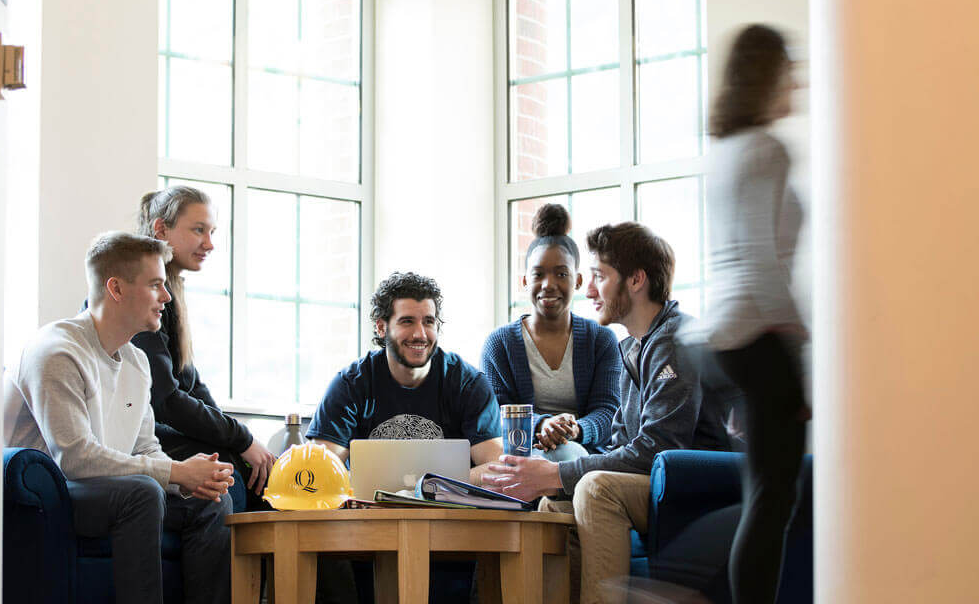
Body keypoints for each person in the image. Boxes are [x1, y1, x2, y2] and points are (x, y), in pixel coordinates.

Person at [483, 222, 731, 604]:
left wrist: (556, 471)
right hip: (660, 480)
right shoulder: (632, 348)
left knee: (596, 489)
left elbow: (656, 449)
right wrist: (554, 481)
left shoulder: (676, 341)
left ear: (636, 280)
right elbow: (618, 444)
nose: (589, 289)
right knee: (554, 505)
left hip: (696, 483)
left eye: (598, 276)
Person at [4, 232, 234, 604]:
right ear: (116, 288)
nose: (167, 297)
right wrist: (176, 473)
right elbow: (75, 458)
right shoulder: (57, 352)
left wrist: (191, 479)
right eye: (156, 285)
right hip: (49, 495)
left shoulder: (136, 361)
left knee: (210, 499)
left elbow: (146, 447)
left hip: (105, 489)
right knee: (141, 493)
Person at [703, 23, 808, 604]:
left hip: (721, 338)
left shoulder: (722, 151)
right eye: (790, 68)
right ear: (768, 75)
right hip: (756, 332)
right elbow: (764, 262)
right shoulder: (769, 148)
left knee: (763, 494)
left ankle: (680, 580)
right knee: (774, 497)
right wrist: (794, 342)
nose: (798, 79)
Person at [133, 185, 276, 507]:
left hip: (167, 432)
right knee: (231, 471)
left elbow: (192, 384)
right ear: (161, 229)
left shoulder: (172, 294)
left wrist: (245, 440)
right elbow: (165, 399)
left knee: (268, 475)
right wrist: (241, 439)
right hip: (145, 439)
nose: (209, 244)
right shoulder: (141, 299)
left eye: (211, 232)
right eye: (199, 230)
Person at [306, 271, 503, 484]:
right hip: (367, 511)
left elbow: (497, 469)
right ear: (381, 327)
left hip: (447, 511)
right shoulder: (350, 385)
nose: (420, 334)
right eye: (407, 321)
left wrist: (425, 488)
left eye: (428, 321)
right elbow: (321, 471)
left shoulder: (469, 385)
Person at [480, 203, 621, 461]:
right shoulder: (499, 344)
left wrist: (575, 429)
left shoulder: (601, 340)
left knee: (569, 454)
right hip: (522, 453)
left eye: (561, 274)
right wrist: (542, 425)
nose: (548, 285)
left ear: (577, 280)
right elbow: (496, 413)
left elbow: (609, 410)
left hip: (586, 457)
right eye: (538, 274)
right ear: (525, 281)